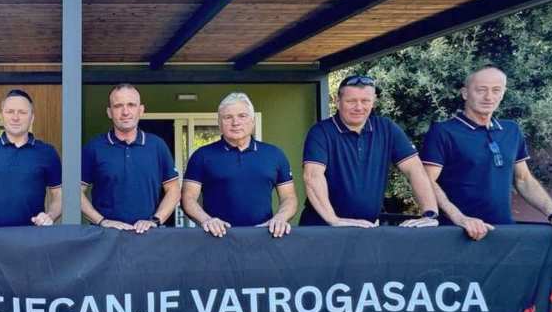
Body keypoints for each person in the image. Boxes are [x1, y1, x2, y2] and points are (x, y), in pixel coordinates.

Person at [421, 66, 552, 241]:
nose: (489, 97)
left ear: (503, 94)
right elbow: (427, 181)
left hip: (502, 234)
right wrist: (460, 218)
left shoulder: (511, 130)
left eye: (496, 90)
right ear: (465, 93)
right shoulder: (443, 132)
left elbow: (524, 180)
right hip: (456, 234)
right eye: (481, 90)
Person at [300, 75, 439, 228]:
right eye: (351, 101)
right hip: (322, 229)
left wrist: (429, 214)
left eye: (365, 101)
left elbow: (415, 169)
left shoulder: (387, 128)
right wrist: (334, 220)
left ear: (373, 102)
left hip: (366, 229)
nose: (359, 107)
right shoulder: (321, 132)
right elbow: (312, 176)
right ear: (337, 102)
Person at [181, 92, 297, 238]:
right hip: (216, 239)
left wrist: (280, 218)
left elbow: (289, 197)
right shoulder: (202, 156)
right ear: (219, 123)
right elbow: (188, 198)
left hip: (264, 238)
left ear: (252, 121)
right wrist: (207, 220)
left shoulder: (274, 155)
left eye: (242, 116)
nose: (235, 122)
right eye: (228, 117)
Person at [80, 84, 179, 232]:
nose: (125, 112)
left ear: (141, 110)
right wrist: (102, 221)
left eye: (131, 105)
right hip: (105, 236)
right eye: (118, 106)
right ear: (109, 112)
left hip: (147, 235)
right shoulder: (93, 148)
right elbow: (75, 192)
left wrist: (155, 220)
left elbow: (173, 189)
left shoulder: (157, 146)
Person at [0, 90, 62, 228]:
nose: (15, 117)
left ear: (32, 118)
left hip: (33, 234)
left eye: (22, 112)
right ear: (2, 115)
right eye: (10, 112)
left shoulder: (47, 152)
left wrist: (50, 216)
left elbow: (59, 194)